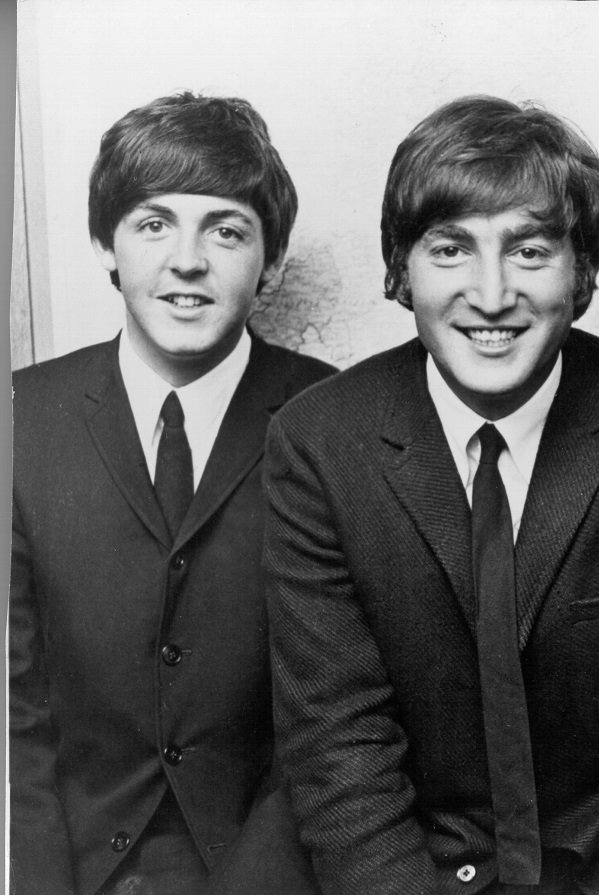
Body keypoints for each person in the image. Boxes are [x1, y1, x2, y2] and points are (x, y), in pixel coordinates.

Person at [263, 95, 599, 894]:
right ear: (400, 270)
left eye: (530, 251)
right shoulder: (318, 444)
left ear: (584, 272)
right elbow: (338, 744)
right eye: (451, 250)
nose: (493, 293)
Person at [9, 92, 336, 895]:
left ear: (275, 258)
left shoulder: (335, 421)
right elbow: (10, 714)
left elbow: (337, 720)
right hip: (71, 864)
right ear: (104, 244)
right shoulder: (22, 420)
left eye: (226, 230)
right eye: (153, 224)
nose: (187, 261)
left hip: (267, 869)